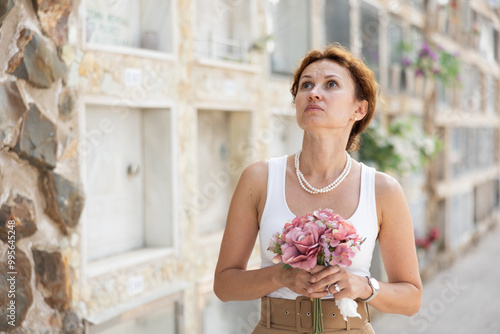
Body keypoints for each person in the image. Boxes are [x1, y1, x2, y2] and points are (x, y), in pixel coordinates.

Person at [214, 44, 422, 334]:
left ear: (358, 109)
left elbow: (411, 299)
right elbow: (224, 286)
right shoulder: (259, 178)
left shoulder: (383, 190)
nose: (313, 92)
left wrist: (363, 286)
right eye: (306, 85)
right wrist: (280, 277)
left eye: (331, 84)